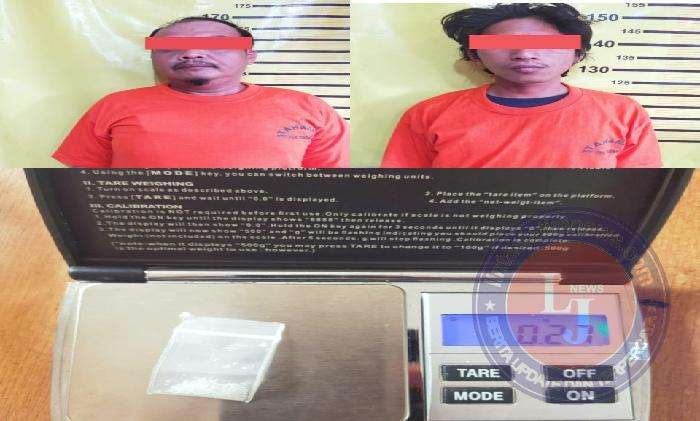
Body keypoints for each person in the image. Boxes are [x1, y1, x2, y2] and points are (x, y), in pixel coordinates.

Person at [381, 3, 662, 168]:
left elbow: (637, 193)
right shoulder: (429, 114)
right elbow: (402, 190)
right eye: (503, 44)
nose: (525, 54)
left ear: (577, 54)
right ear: (474, 54)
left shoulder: (623, 113)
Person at [53, 16, 349, 168]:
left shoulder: (308, 109)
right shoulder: (116, 106)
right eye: (171, 47)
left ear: (249, 55)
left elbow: (330, 187)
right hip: (145, 240)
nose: (192, 53)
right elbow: (83, 184)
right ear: (153, 57)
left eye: (216, 44)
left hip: (269, 238)